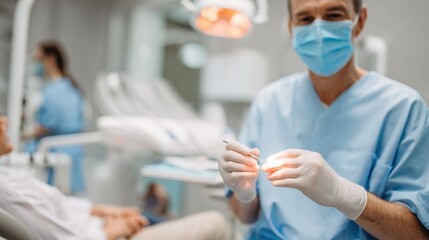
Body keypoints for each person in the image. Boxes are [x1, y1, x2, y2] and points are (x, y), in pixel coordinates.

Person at [218, 0, 429, 239]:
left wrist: (346, 196)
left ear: (359, 22)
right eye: (306, 19)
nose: (318, 30)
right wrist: (245, 193)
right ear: (291, 28)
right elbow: (245, 215)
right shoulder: (270, 101)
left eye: (333, 15)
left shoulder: (403, 108)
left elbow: (417, 234)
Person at [0, 117, 229, 240]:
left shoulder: (7, 175)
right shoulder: (6, 187)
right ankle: (155, 210)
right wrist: (118, 227)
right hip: (105, 234)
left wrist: (112, 212)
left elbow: (64, 207)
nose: (5, 121)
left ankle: (154, 210)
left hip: (99, 226)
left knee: (149, 215)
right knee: (216, 224)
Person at [23, 41, 85, 193]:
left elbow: (49, 125)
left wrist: (26, 133)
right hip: (70, 154)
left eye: (38, 60)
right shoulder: (69, 87)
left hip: (57, 153)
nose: (36, 65)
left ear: (50, 59)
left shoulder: (55, 91)